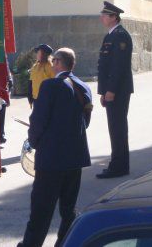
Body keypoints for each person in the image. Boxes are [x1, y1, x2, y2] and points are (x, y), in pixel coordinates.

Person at [18, 48, 92, 247]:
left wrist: (33, 141)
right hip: (75, 157)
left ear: (58, 62)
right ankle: (65, 243)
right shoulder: (83, 86)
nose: (51, 64)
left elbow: (38, 121)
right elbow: (85, 122)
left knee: (41, 210)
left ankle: (31, 245)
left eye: (53, 61)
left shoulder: (50, 85)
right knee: (68, 209)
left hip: (51, 159)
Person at [96, 1, 133, 179]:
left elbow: (118, 67)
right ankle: (117, 164)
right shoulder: (110, 36)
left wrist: (111, 91)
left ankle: (119, 166)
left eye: (105, 15)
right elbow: (105, 66)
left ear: (114, 17)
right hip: (110, 90)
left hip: (118, 91)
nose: (101, 17)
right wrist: (103, 92)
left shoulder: (120, 36)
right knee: (114, 128)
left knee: (118, 128)